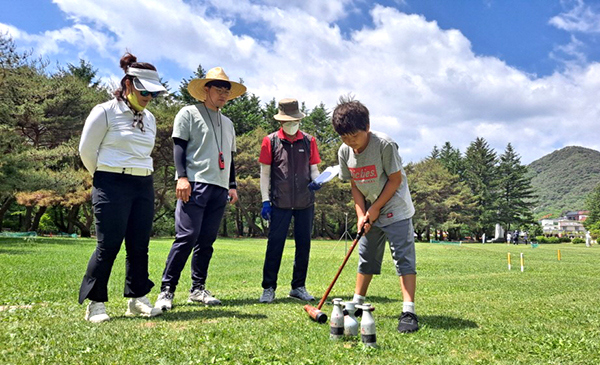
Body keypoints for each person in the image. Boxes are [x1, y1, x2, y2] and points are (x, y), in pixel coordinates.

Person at [78, 52, 167, 322]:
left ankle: (137, 299)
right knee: (109, 246)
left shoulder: (149, 119)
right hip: (111, 182)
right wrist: (105, 176)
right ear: (128, 85)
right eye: (144, 91)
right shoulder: (104, 111)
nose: (148, 97)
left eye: (153, 93)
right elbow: (86, 150)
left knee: (139, 245)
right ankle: (95, 303)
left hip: (142, 183)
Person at [155, 67, 245, 311]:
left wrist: (233, 185)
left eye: (227, 90)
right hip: (194, 184)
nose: (223, 94)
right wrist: (181, 177)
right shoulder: (188, 113)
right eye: (218, 89)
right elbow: (179, 147)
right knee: (186, 237)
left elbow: (230, 157)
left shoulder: (228, 123)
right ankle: (166, 290)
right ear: (206, 90)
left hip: (220, 187)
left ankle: (198, 288)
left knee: (206, 240)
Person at [331, 98, 418, 334]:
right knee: (366, 256)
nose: (351, 143)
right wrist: (362, 213)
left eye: (355, 137)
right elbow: (355, 184)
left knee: (403, 258)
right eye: (345, 138)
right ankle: (357, 303)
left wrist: (376, 208)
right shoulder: (344, 150)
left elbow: (395, 179)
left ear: (367, 127)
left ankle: (408, 310)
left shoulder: (385, 145)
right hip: (370, 210)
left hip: (396, 209)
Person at [258, 98, 322, 303]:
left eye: (295, 121)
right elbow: (265, 174)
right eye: (288, 121)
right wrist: (265, 200)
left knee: (304, 245)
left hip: (305, 201)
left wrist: (317, 181)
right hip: (279, 202)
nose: (292, 124)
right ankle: (269, 287)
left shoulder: (309, 141)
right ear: (281, 121)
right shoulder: (271, 141)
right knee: (275, 245)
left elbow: (314, 168)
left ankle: (298, 286)